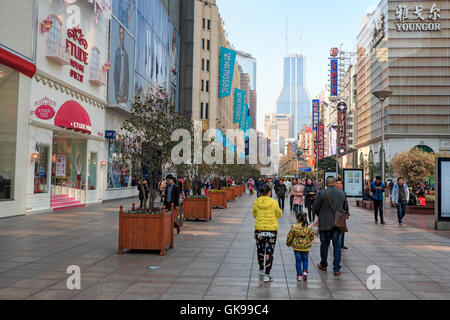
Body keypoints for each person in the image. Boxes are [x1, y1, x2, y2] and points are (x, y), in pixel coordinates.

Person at [312, 176, 348, 276]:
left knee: (324, 245)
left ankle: (324, 264)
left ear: (326, 184)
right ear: (335, 183)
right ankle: (336, 268)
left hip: (325, 223)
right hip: (337, 224)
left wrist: (321, 215)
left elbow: (315, 207)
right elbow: (344, 208)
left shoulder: (322, 193)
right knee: (337, 246)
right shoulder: (342, 194)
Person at [252, 184, 283, 282]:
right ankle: (267, 274)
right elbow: (279, 214)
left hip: (259, 229)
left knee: (260, 250)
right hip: (271, 230)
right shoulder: (274, 202)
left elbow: (254, 214)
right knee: (269, 252)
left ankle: (261, 268)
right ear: (269, 192)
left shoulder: (256, 202)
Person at [286, 212, 314, 281]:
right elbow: (312, 236)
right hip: (306, 247)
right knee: (305, 259)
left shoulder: (294, 227)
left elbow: (290, 236)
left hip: (297, 247)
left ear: (298, 219)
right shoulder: (309, 228)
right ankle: (305, 272)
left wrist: (288, 243)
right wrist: (309, 241)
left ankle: (299, 276)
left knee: (298, 261)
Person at [114, 26, 130, 105]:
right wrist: (116, 95)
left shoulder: (126, 54)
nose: (121, 36)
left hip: (124, 96)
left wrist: (126, 94)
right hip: (118, 95)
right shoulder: (116, 52)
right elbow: (115, 76)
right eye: (120, 33)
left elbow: (127, 77)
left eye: (122, 33)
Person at [336, 178, 350, 250]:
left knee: (342, 229)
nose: (339, 185)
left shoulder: (343, 193)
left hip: (342, 214)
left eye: (340, 184)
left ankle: (342, 243)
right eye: (337, 183)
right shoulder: (333, 193)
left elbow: (345, 204)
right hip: (334, 214)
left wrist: (347, 213)